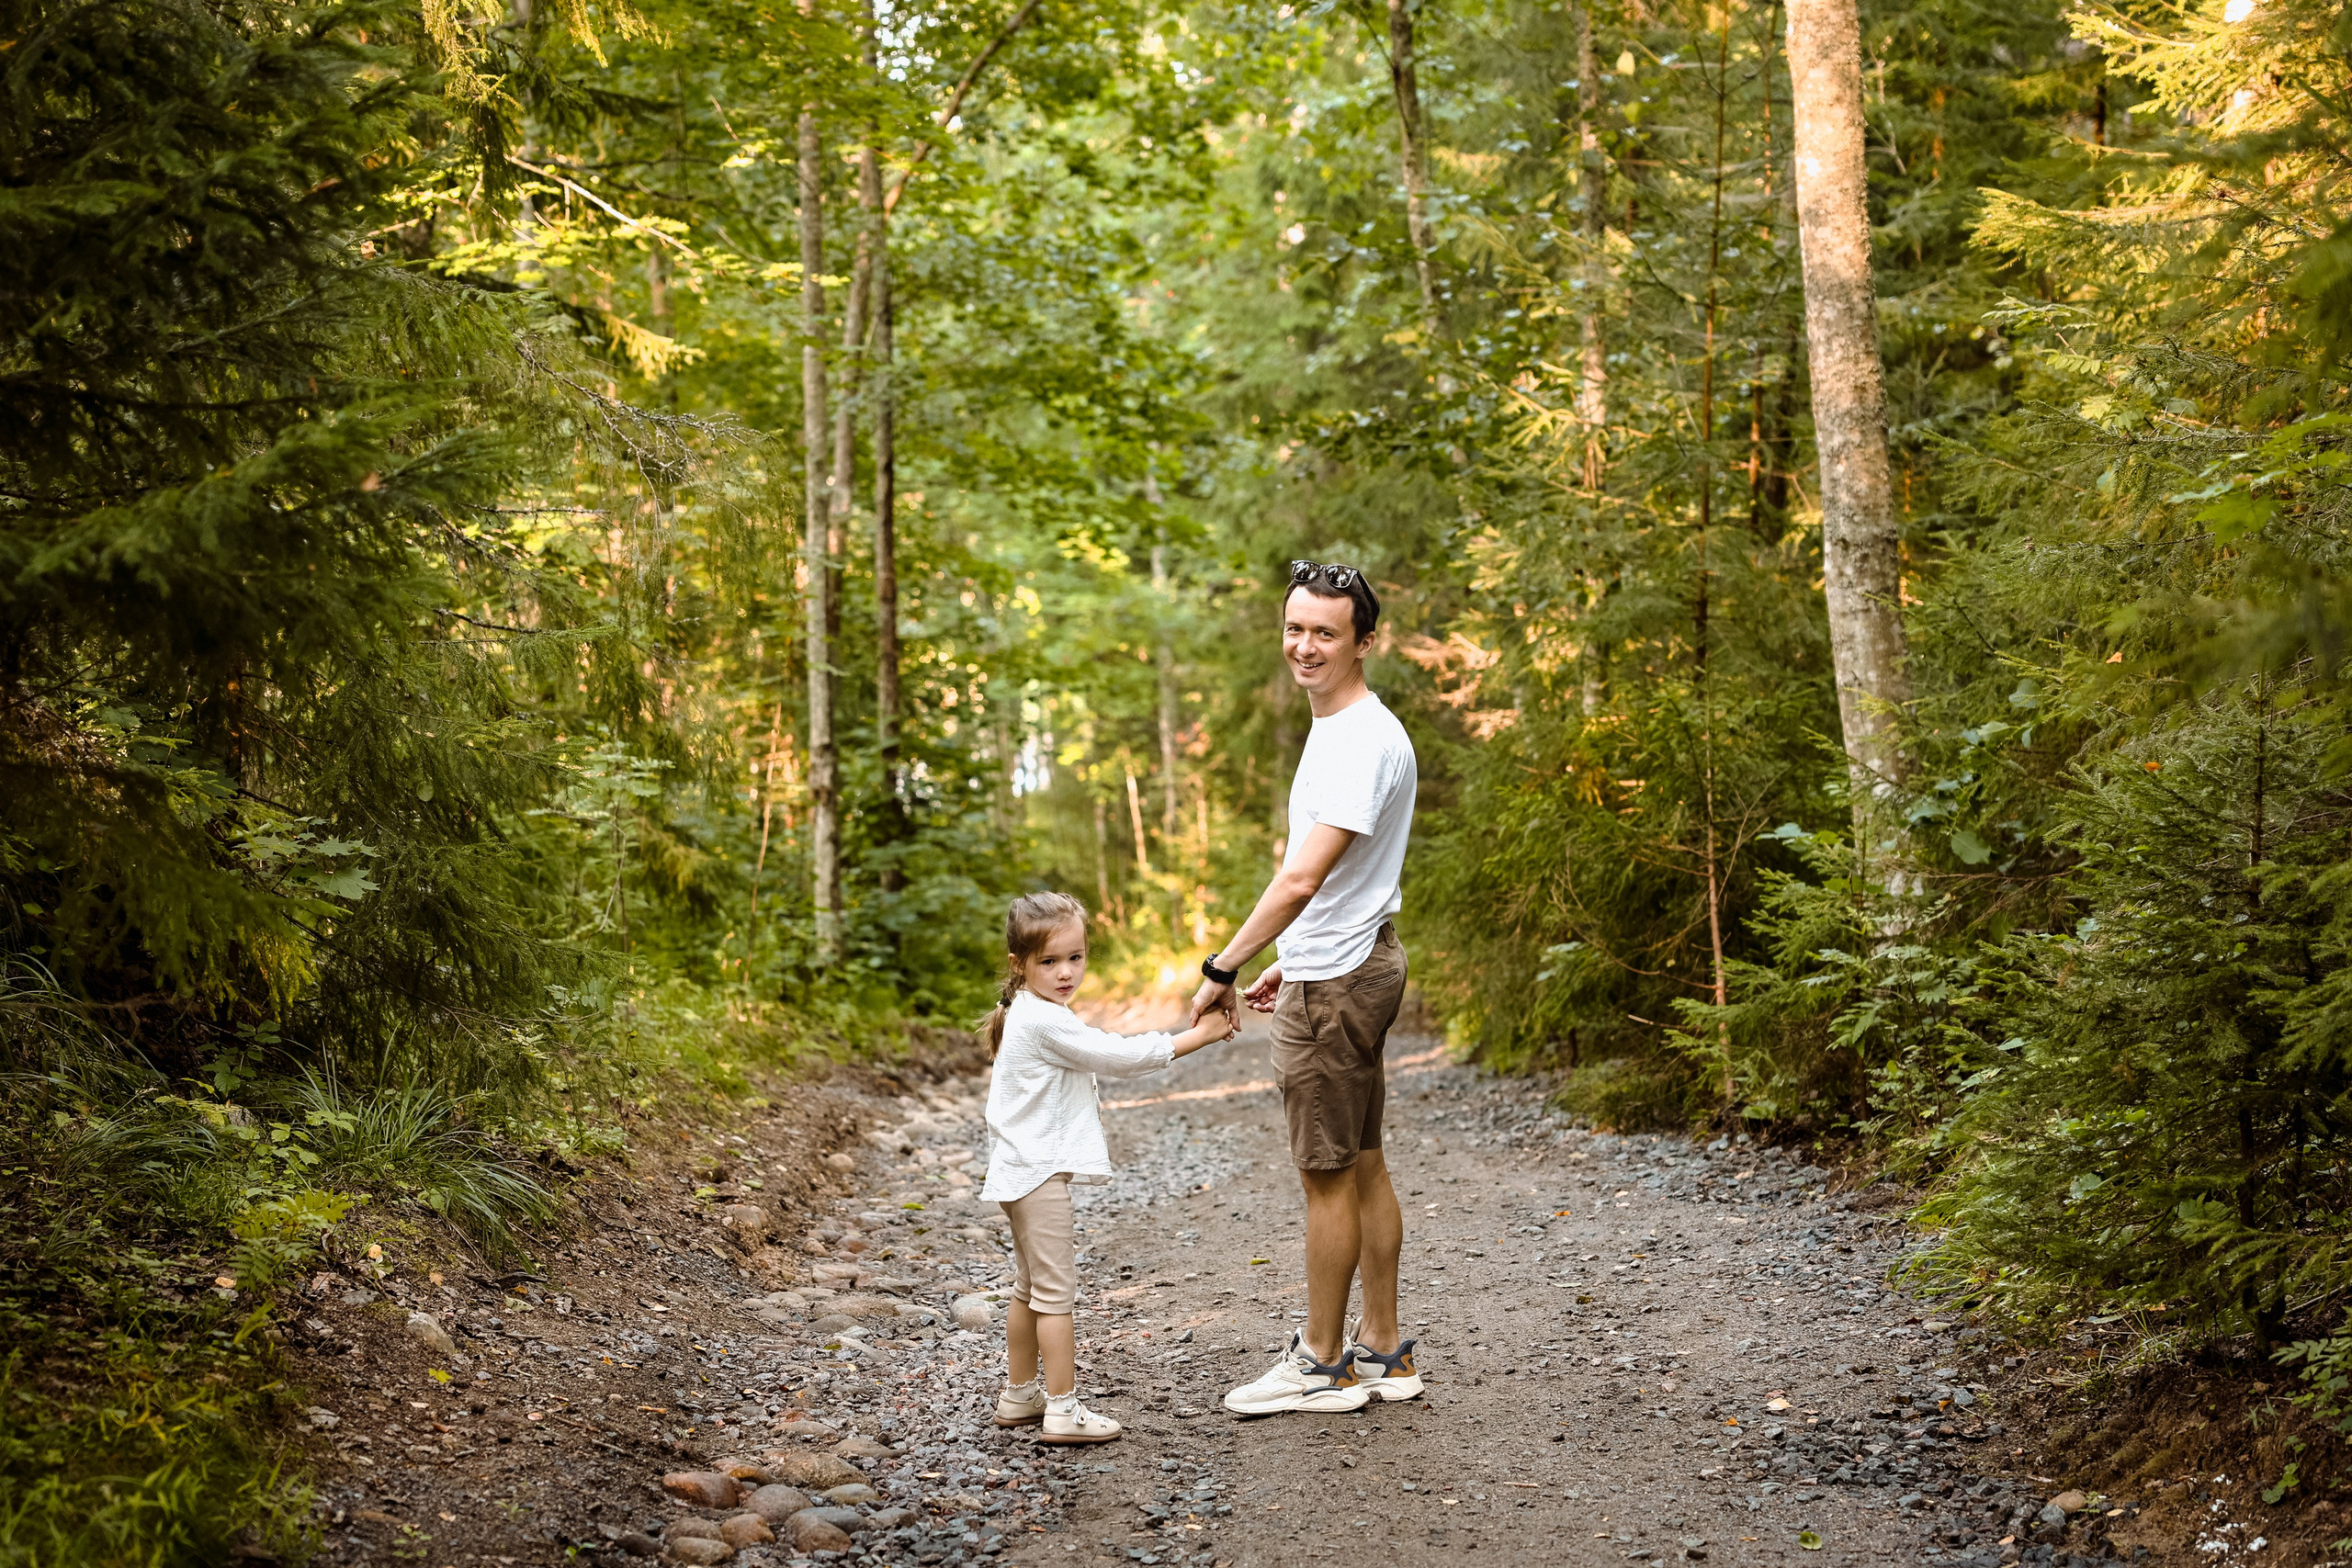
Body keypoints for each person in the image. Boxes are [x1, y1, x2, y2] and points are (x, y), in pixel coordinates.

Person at [1190, 559, 1420, 1416]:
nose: (1306, 645)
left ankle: (1323, 1364)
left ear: (1365, 640)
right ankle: (1385, 1350)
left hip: (1340, 983)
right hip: (1347, 957)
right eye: (1296, 627)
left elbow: (1299, 877)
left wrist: (1227, 963)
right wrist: (1301, 950)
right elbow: (1342, 881)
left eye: (1326, 631)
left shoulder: (1358, 738)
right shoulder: (1351, 726)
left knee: (1328, 1174)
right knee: (1362, 1163)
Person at [978, 891, 1235, 1444]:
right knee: (1055, 1295)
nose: (1066, 972)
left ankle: (1020, 1394)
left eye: (1076, 957)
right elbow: (1120, 1057)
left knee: (1029, 1288)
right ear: (1019, 965)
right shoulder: (1044, 1021)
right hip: (1036, 1174)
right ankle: (1063, 1410)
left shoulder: (1030, 1010)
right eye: (1049, 962)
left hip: (1020, 1171)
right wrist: (1198, 1037)